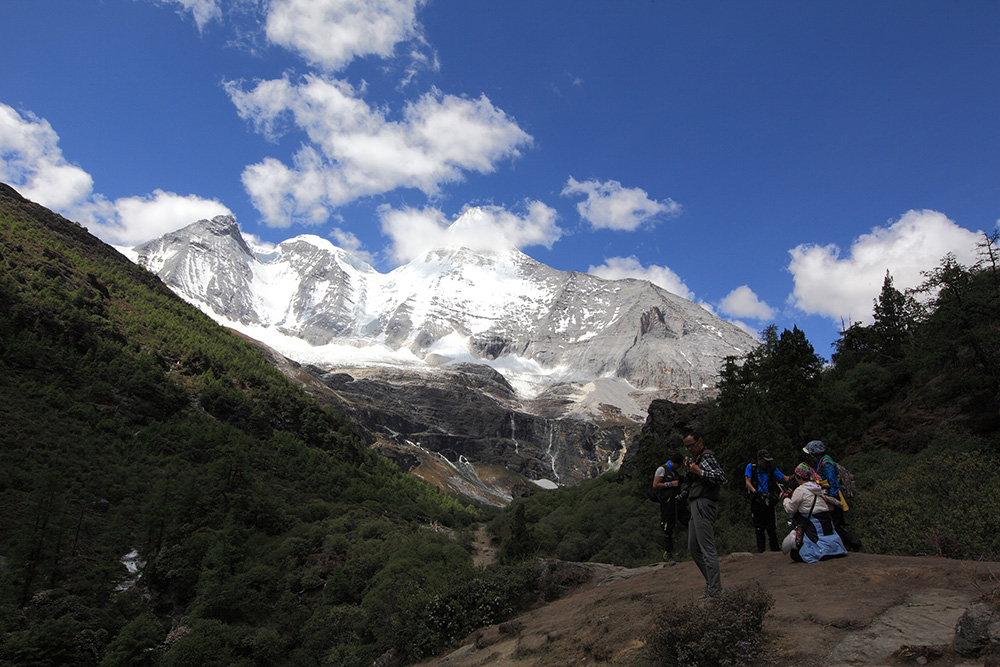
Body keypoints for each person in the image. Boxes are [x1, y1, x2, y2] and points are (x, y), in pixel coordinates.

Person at [682, 431, 727, 599]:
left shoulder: (707, 458)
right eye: (686, 447)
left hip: (703, 503)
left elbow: (721, 477)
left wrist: (699, 471)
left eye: (691, 445)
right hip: (696, 504)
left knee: (706, 548)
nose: (689, 449)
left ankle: (715, 591)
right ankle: (711, 583)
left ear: (700, 441)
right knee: (693, 547)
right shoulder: (696, 458)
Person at [780, 463, 847, 563]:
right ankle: (832, 550)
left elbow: (790, 509)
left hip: (813, 524)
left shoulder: (800, 490)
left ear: (799, 477)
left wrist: (785, 498)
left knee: (795, 555)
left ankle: (821, 552)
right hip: (826, 521)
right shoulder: (817, 488)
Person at [803, 440, 863, 551]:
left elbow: (834, 483)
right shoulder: (821, 462)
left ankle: (855, 544)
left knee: (834, 526)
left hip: (833, 498)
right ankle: (845, 547)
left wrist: (832, 501)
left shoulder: (826, 464)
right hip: (826, 497)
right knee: (832, 525)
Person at [744, 449, 791, 553]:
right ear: (759, 459)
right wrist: (755, 492)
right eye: (765, 461)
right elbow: (748, 481)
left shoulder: (771, 469)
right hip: (757, 501)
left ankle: (775, 551)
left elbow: (784, 479)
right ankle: (761, 552)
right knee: (759, 528)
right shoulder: (751, 468)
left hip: (769, 501)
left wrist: (796, 476)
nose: (767, 463)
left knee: (771, 529)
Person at [653, 454, 687, 564]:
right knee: (668, 526)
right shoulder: (662, 470)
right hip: (667, 502)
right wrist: (670, 484)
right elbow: (656, 484)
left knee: (689, 520)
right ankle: (668, 553)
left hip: (677, 501)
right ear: (675, 463)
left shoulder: (674, 472)